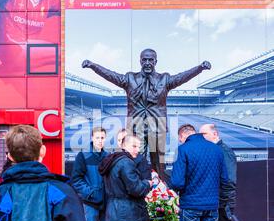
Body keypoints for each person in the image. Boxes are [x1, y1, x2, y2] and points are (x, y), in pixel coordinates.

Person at [82, 49, 211, 180]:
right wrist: (93, 66)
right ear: (140, 61)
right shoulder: (130, 78)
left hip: (157, 127)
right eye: (145, 60)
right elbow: (110, 75)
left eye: (151, 60)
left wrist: (200, 68)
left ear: (156, 61)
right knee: (135, 159)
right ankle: (137, 187)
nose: (147, 63)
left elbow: (182, 77)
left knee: (159, 162)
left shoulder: (164, 79)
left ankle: (159, 189)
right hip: (136, 127)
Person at [71, 127, 108, 221]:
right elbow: (76, 179)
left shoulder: (108, 156)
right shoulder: (83, 155)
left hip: (106, 202)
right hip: (90, 202)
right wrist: (91, 192)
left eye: (103, 137)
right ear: (92, 138)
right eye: (98, 137)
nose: (100, 140)